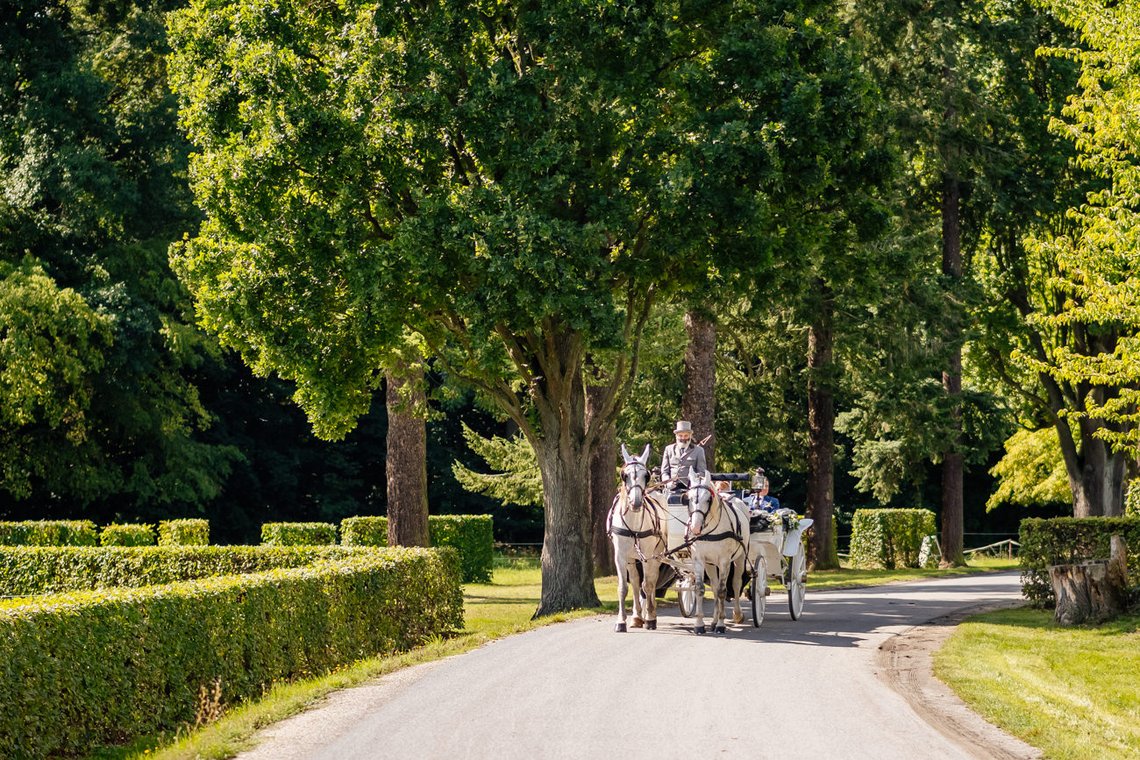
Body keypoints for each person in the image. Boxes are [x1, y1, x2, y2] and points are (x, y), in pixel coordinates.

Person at [660, 420, 707, 492]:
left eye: (686, 435)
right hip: (671, 488)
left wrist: (693, 478)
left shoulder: (699, 451)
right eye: (680, 435)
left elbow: (702, 472)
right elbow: (664, 471)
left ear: (690, 436)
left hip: (691, 488)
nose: (683, 438)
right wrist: (667, 482)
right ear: (676, 436)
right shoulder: (668, 449)